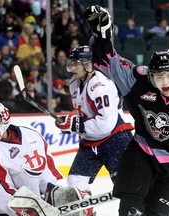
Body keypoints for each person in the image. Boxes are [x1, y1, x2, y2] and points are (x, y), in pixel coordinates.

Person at [84, 5, 169, 215]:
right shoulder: (137, 82)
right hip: (143, 154)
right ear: (150, 76)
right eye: (158, 77)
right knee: (131, 211)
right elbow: (109, 62)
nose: (164, 82)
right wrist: (102, 36)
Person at [55, 45, 134, 216]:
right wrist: (70, 122)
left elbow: (106, 124)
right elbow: (83, 115)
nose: (72, 68)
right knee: (76, 181)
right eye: (72, 64)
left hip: (115, 139)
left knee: (127, 187)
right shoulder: (74, 84)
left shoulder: (100, 85)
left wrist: (76, 125)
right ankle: (86, 212)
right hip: (91, 141)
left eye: (77, 64)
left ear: (89, 65)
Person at [0, 99, 82, 215]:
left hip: (29, 204)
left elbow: (47, 170)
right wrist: (28, 209)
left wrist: (58, 191)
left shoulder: (30, 134)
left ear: (4, 116)